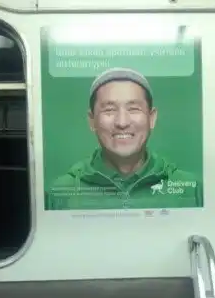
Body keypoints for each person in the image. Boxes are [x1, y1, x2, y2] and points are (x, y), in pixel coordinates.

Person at [45, 68, 202, 210]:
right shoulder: (60, 193)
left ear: (151, 118)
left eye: (133, 109)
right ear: (92, 121)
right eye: (109, 110)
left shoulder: (191, 189)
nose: (122, 122)